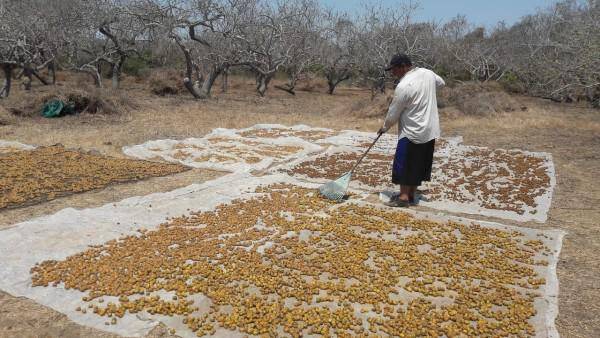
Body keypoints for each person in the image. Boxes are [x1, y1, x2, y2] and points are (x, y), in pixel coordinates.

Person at [378, 54, 445, 207]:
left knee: (405, 164)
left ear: (403, 66)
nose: (393, 73)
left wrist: (384, 127)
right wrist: (426, 91)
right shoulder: (428, 73)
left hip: (412, 130)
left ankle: (403, 198)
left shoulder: (404, 86)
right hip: (430, 129)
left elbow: (394, 112)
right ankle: (412, 195)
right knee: (419, 163)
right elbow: (441, 83)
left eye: (394, 69)